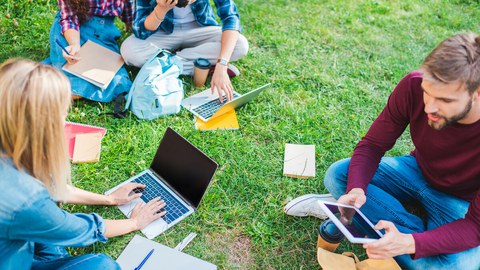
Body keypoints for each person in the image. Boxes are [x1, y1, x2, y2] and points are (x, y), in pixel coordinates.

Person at [284, 33, 480, 269]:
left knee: (458, 266)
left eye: (444, 100)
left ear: (476, 93)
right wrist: (356, 188)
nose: (429, 106)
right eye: (427, 91)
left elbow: (475, 227)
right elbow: (373, 145)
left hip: (460, 201)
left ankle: (367, 220)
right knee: (341, 174)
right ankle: (363, 213)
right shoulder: (412, 85)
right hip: (417, 169)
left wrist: (409, 242)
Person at [0, 59, 167, 270]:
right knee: (103, 266)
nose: (64, 121)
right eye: (62, 114)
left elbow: (52, 189)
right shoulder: (26, 201)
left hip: (16, 244)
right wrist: (135, 223)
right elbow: (80, 230)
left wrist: (110, 199)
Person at [120, 0, 249, 102]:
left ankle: (165, 64)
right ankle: (202, 66)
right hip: (162, 32)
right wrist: (161, 9)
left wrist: (222, 64)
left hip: (199, 29)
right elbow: (140, 31)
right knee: (130, 51)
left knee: (240, 45)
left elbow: (231, 18)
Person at [43, 0, 133, 102]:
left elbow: (128, 9)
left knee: (119, 81)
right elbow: (69, 18)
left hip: (104, 35)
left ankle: (67, 89)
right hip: (73, 30)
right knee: (70, 65)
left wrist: (131, 24)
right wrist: (74, 44)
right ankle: (69, 89)